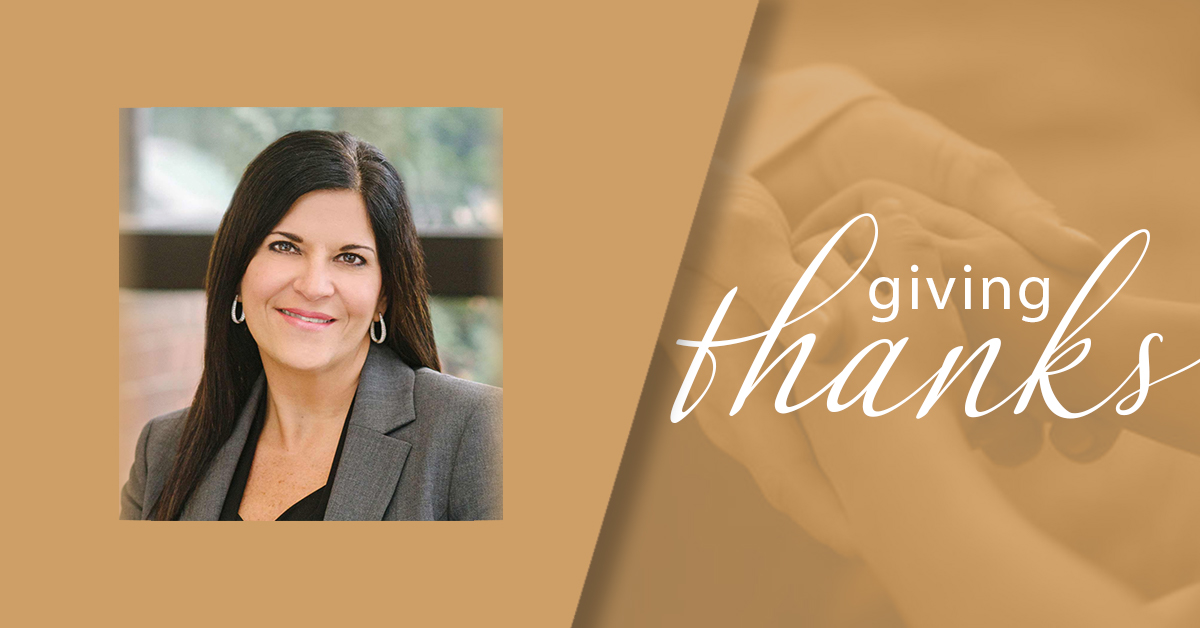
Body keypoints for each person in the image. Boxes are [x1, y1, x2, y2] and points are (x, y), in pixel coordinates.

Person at [120, 130, 502, 521]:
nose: (313, 286)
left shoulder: (476, 429)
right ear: (238, 272)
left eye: (351, 258)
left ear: (383, 297)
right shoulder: (164, 452)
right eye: (286, 246)